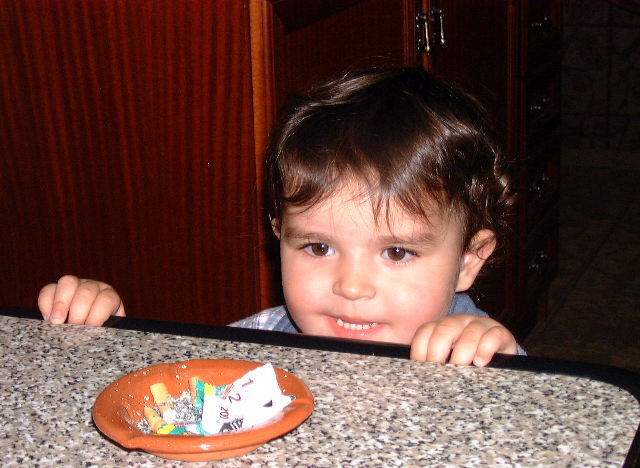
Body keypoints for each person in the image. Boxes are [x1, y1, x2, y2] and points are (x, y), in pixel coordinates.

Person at [38, 67, 522, 366]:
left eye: (396, 252)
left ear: (468, 261)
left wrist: (501, 373)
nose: (351, 287)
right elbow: (184, 399)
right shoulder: (257, 343)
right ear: (279, 235)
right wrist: (111, 343)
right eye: (318, 247)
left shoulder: (478, 353)